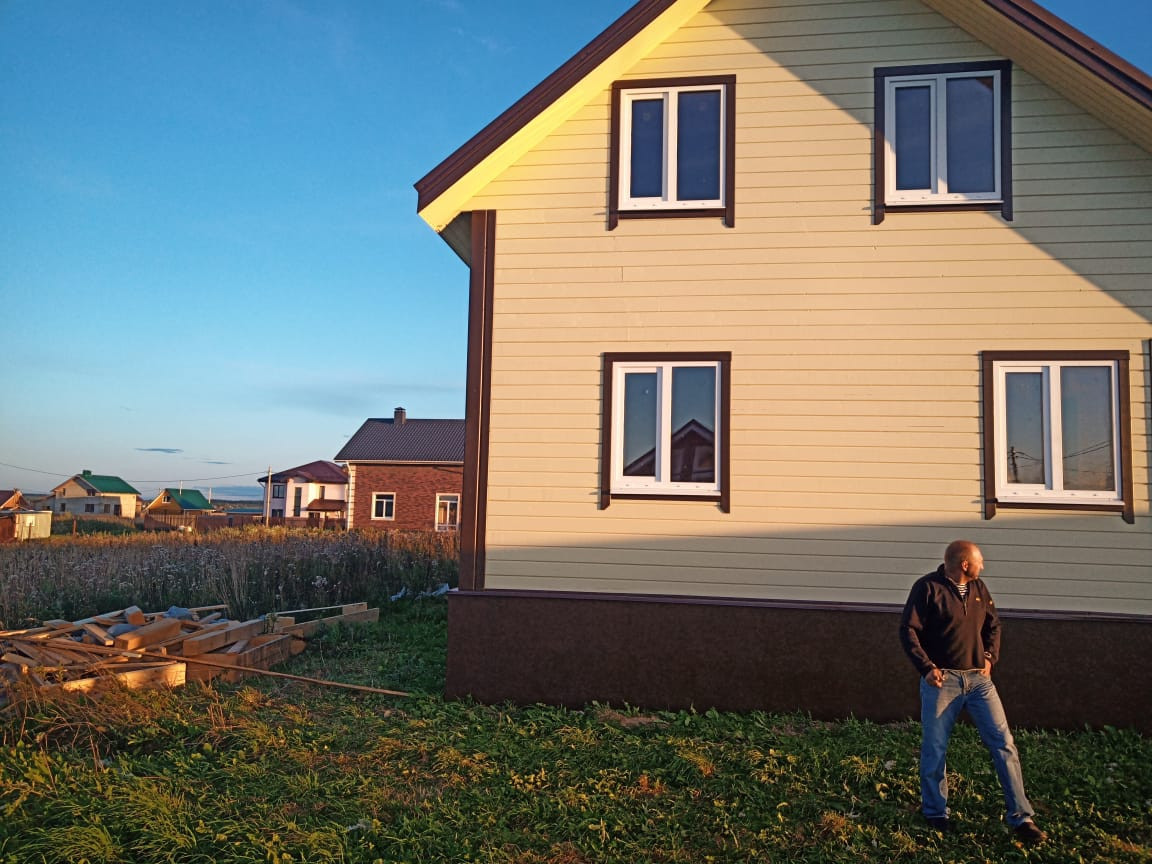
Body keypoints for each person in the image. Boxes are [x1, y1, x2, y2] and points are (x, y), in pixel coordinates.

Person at [899, 540, 1047, 844]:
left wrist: (990, 658)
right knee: (935, 748)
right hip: (942, 682)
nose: (983, 565)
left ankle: (1022, 817)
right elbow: (908, 630)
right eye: (979, 561)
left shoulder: (979, 588)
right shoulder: (927, 588)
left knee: (1004, 744)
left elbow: (994, 626)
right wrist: (927, 668)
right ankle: (935, 814)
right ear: (964, 564)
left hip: (979, 682)